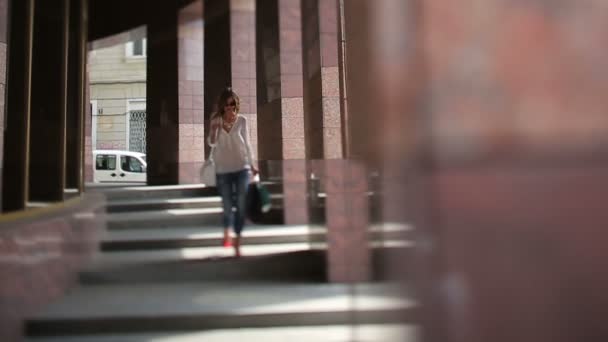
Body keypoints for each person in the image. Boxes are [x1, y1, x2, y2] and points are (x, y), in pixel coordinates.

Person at [208, 87, 258, 257]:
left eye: (233, 104)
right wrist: (215, 129)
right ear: (222, 106)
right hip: (223, 169)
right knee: (228, 206)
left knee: (242, 204)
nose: (230, 108)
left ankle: (237, 240)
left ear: (236, 105)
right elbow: (212, 143)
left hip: (242, 167)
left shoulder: (242, 121)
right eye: (227, 105)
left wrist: (252, 163)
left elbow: (248, 144)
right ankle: (226, 230)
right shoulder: (215, 120)